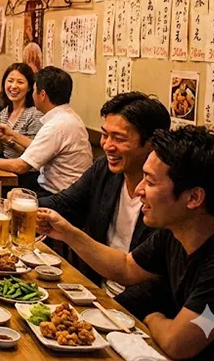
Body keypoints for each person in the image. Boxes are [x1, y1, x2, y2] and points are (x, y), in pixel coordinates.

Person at [38, 126, 214, 360]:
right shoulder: (177, 229)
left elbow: (178, 344)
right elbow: (127, 268)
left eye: (150, 181)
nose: (138, 190)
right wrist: (68, 233)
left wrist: (151, 316)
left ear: (194, 197)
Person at [40, 92, 170, 298]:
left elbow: (152, 278)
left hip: (132, 306)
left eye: (119, 138)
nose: (107, 145)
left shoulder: (166, 196)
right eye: (105, 135)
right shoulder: (105, 171)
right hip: (92, 289)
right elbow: (64, 204)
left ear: (151, 144)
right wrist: (14, 204)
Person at [0, 67, 92, 195]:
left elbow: (21, 166)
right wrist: (12, 134)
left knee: (7, 198)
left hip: (61, 195)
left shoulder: (56, 125)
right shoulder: (67, 116)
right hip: (59, 190)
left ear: (42, 95)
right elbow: (39, 147)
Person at [0, 63, 44, 160]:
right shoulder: (4, 113)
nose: (13, 86)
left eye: (20, 82)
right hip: (6, 166)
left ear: (29, 87)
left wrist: (9, 140)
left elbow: (34, 154)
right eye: (10, 81)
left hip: (26, 172)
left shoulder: (34, 115)